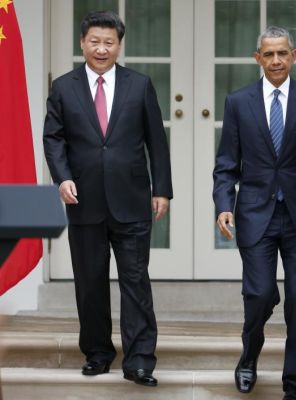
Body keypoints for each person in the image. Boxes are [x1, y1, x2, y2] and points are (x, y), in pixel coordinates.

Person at [43, 11, 172, 387]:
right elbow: (53, 138)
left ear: (119, 45)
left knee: (135, 280)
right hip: (83, 198)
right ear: (82, 43)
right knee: (90, 280)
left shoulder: (140, 84)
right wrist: (62, 178)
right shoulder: (64, 87)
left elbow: (156, 142)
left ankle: (140, 360)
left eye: (109, 42)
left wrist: (161, 188)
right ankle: (98, 353)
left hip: (131, 198)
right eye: (95, 41)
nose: (102, 48)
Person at [213, 26, 296, 400]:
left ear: (294, 55)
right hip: (255, 214)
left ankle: (294, 388)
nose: (276, 60)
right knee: (260, 293)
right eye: (268, 54)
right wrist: (222, 206)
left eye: (282, 53)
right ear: (258, 58)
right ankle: (249, 355)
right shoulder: (238, 102)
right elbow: (225, 165)